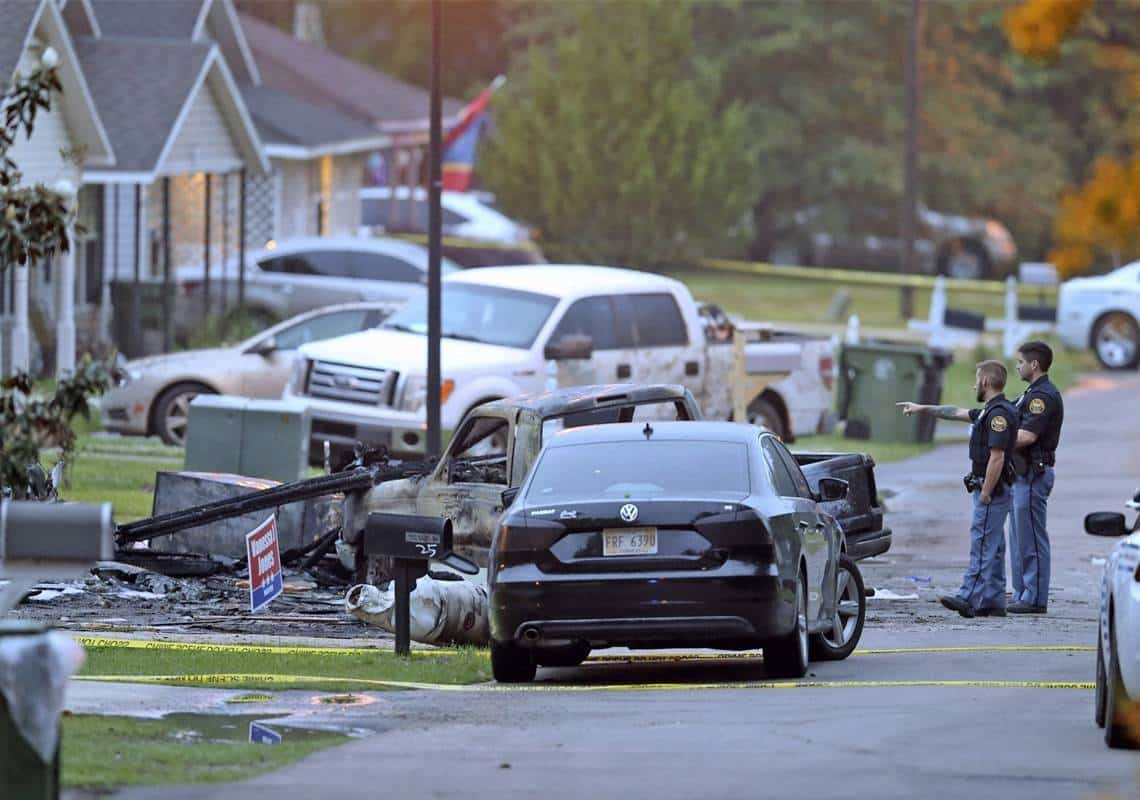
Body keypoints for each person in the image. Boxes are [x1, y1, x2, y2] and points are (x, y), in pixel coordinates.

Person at [896, 360, 1018, 618]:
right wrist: (922, 408)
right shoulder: (989, 411)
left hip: (992, 491)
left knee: (982, 544)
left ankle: (967, 597)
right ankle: (993, 600)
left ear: (985, 381)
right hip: (992, 489)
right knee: (994, 547)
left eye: (977, 379)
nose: (974, 385)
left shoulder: (998, 415)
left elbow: (997, 458)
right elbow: (955, 412)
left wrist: (986, 492)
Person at [1007, 341, 1064, 614]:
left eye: (1020, 362)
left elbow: (1027, 436)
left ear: (1034, 364)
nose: (1017, 366)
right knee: (1019, 539)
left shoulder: (1043, 397)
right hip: (1021, 475)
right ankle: (1022, 593)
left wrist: (994, 440)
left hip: (1033, 474)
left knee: (1031, 538)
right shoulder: (1030, 394)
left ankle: (1035, 598)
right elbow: (999, 416)